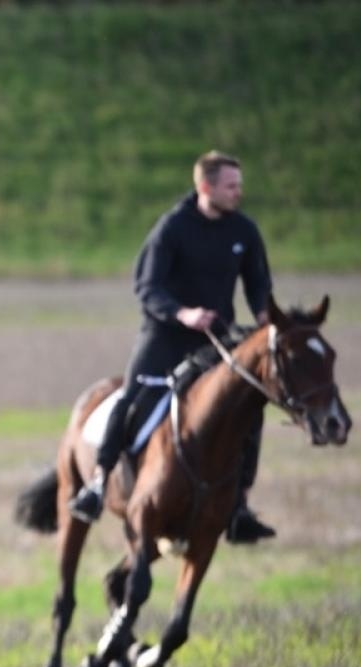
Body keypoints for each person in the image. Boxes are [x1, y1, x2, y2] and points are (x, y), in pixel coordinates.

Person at [70, 150, 277, 543]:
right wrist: (182, 314)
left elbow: (258, 286)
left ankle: (239, 506)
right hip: (166, 336)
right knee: (132, 401)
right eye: (231, 186)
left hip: (217, 338)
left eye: (240, 185)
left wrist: (267, 316)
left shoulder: (244, 232)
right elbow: (146, 287)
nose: (239, 192)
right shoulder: (173, 228)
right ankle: (97, 484)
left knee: (247, 405)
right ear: (205, 187)